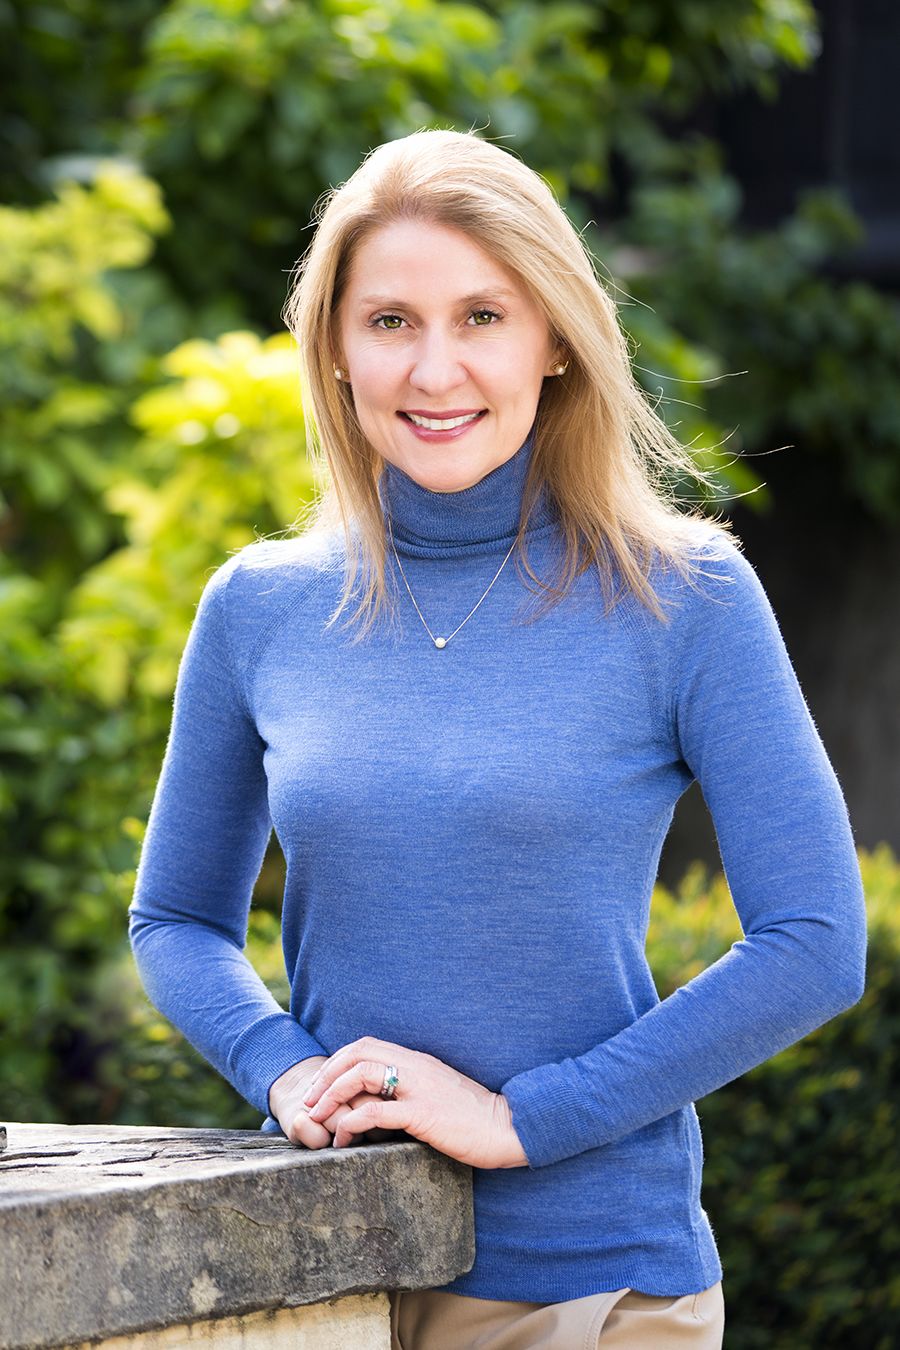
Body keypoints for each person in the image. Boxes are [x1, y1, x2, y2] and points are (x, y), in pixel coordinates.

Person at [128, 129, 867, 1349]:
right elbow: (175, 920)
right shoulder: (259, 606)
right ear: (334, 347)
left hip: (591, 1287)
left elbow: (818, 941)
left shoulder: (684, 597)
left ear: (556, 340)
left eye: (482, 316)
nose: (435, 369)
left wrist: (529, 1119)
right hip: (318, 1267)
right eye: (390, 321)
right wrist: (275, 1065)